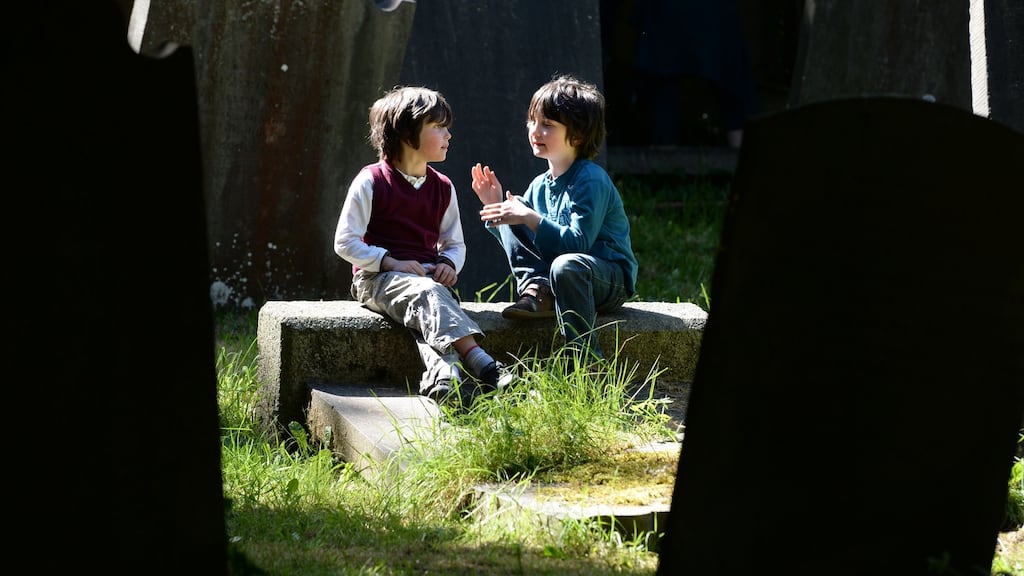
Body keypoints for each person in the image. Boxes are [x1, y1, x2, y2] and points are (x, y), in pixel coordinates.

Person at [334, 86, 505, 408]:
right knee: (427, 295)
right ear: (406, 132)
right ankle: (484, 364)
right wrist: (388, 262)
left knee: (425, 307)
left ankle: (444, 376)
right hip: (376, 280)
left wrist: (448, 264)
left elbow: (454, 243)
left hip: (429, 281)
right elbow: (345, 241)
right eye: (438, 127)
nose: (448, 135)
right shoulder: (372, 181)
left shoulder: (442, 187)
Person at [470, 74, 639, 363]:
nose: (535, 131)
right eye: (532, 121)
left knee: (564, 263)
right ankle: (539, 290)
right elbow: (525, 244)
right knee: (518, 206)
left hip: (606, 278)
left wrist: (528, 216)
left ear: (577, 135)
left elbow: (578, 244)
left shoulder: (590, 179)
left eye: (547, 125)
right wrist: (498, 208)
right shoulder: (539, 184)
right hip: (560, 274)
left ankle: (586, 362)